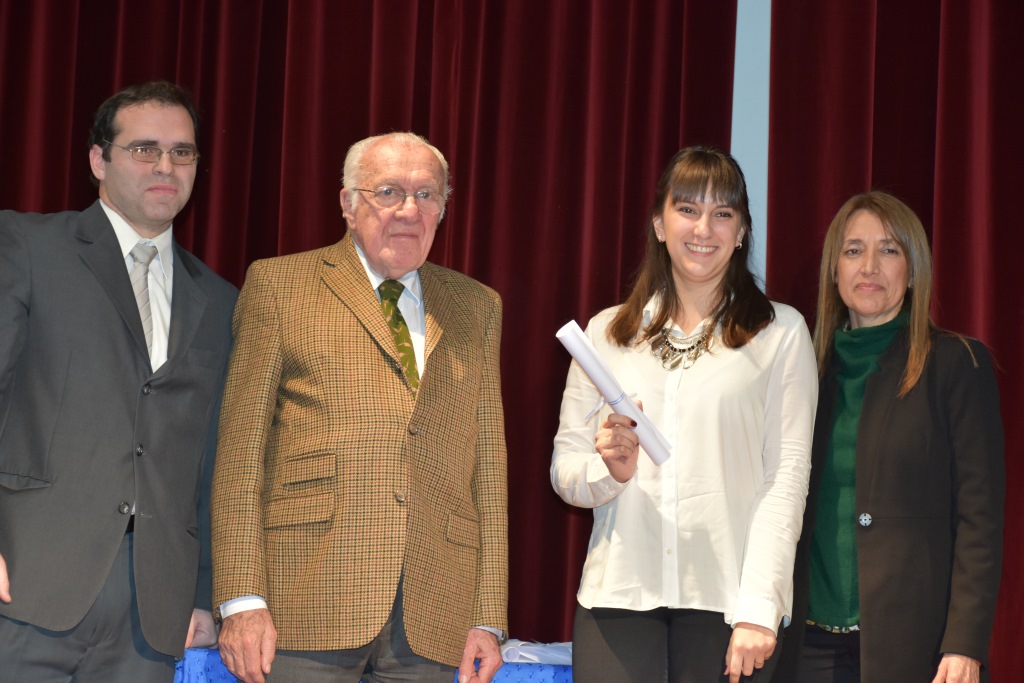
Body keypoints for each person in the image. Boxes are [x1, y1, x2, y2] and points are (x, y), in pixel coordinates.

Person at [211, 131, 508, 683]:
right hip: (304, 603)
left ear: (444, 209)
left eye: (427, 195)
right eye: (389, 191)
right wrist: (241, 598)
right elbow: (239, 457)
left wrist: (488, 616)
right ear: (348, 204)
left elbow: (488, 471)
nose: (409, 210)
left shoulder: (476, 306)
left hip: (434, 615)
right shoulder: (280, 286)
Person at [551, 146, 818, 683]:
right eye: (688, 208)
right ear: (659, 222)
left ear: (741, 230)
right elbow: (565, 470)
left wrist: (759, 607)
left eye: (724, 213)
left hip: (726, 602)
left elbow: (785, 479)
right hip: (618, 595)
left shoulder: (780, 332)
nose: (704, 228)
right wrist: (610, 471)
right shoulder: (604, 334)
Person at [0, 81, 237, 681]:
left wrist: (203, 588)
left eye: (183, 152)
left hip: (151, 616)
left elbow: (212, 459)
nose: (166, 166)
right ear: (98, 160)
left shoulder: (219, 299)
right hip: (24, 587)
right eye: (144, 149)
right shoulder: (27, 246)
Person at [771, 191, 1004, 683]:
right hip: (807, 645)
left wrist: (964, 643)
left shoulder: (957, 364)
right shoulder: (802, 374)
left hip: (920, 648)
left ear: (913, 269)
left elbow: (980, 519)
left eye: (890, 249)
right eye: (854, 250)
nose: (870, 265)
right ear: (834, 270)